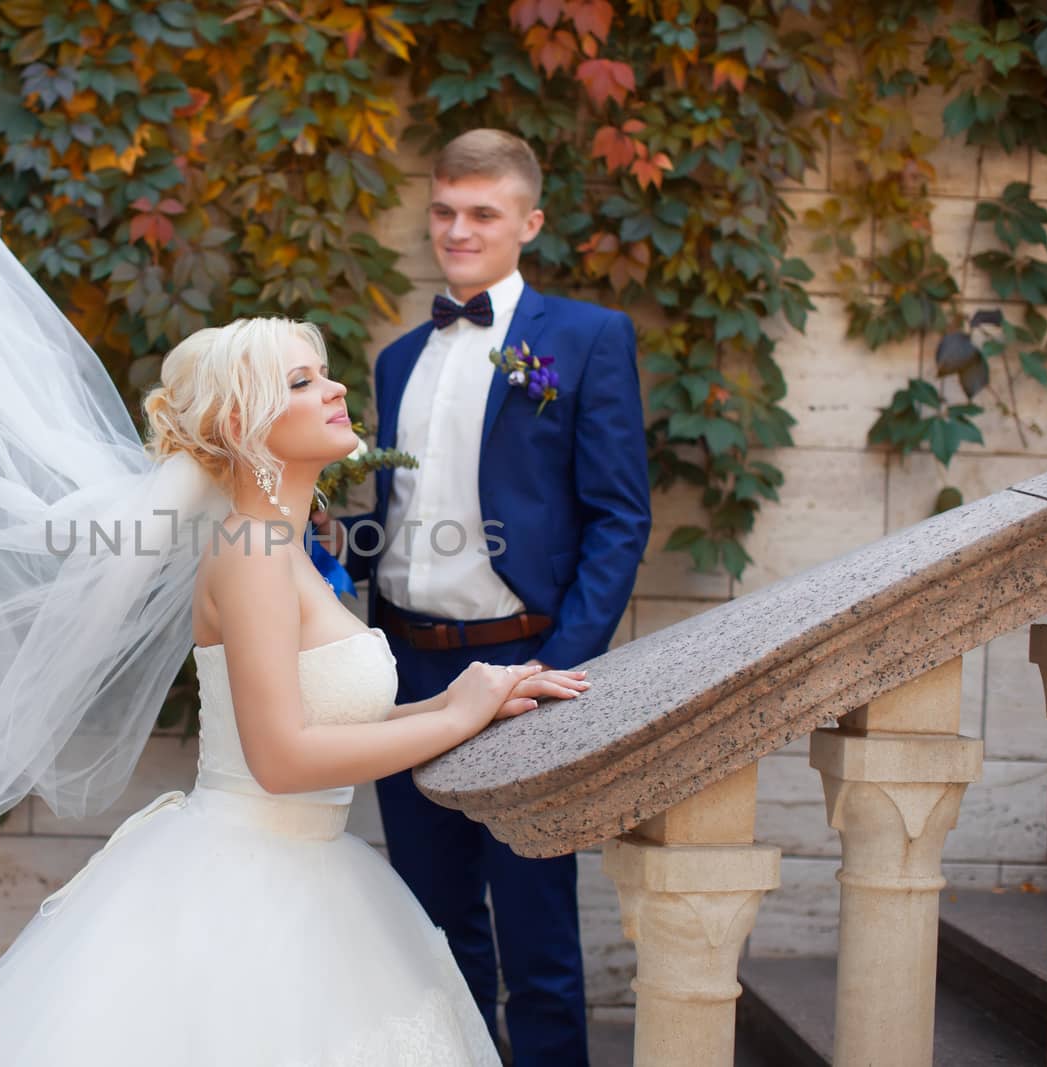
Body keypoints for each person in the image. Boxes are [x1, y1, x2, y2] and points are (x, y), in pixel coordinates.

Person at [0, 131, 591, 1065]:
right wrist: (453, 717)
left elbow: (318, 713)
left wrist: (466, 694)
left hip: (303, 871)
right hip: (253, 884)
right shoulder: (248, 554)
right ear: (243, 425)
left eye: (323, 372)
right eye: (302, 380)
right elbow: (282, 757)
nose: (333, 389)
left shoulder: (281, 545)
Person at [313, 129, 652, 1065]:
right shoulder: (395, 359)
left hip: (523, 660)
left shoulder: (587, 338)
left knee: (537, 937)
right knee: (430, 925)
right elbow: (408, 507)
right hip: (408, 665)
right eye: (444, 211)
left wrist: (560, 660)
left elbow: (620, 515)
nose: (458, 231)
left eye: (482, 214)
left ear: (528, 222)